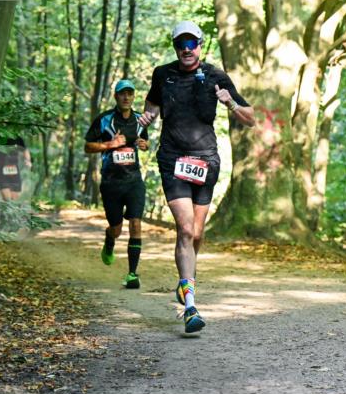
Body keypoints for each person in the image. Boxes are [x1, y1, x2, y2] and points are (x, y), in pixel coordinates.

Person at [138, 21, 255, 333]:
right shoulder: (163, 74)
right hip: (172, 158)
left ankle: (186, 283)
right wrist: (145, 122)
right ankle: (190, 304)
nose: (186, 50)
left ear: (200, 46)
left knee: (198, 234)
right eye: (181, 44)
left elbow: (251, 118)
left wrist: (229, 102)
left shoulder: (215, 76)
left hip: (205, 161)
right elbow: (148, 111)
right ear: (175, 47)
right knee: (186, 229)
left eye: (192, 44)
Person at [84, 79, 150, 289]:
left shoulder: (140, 120)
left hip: (134, 180)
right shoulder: (104, 120)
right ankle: (109, 240)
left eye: (130, 94)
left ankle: (132, 274)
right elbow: (87, 146)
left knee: (136, 223)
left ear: (133, 96)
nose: (126, 97)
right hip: (111, 182)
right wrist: (109, 144)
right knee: (117, 228)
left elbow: (144, 142)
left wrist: (144, 144)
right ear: (116, 96)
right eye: (122, 94)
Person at [0, 137, 31, 201]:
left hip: (14, 169)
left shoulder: (18, 137)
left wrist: (28, 160)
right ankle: (6, 207)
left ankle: (10, 208)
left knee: (14, 197)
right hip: (1, 169)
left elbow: (25, 150)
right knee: (7, 198)